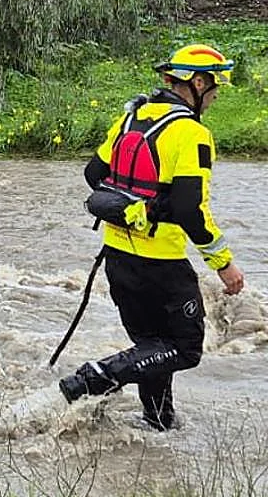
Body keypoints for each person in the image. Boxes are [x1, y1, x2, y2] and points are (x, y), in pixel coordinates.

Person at [62, 43, 246, 430]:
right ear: (197, 83)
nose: (214, 97)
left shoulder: (131, 120)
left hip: (117, 257)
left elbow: (94, 176)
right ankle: (95, 376)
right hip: (160, 264)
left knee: (152, 347)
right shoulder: (191, 134)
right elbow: (190, 211)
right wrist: (224, 264)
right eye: (214, 88)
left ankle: (159, 424)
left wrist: (139, 200)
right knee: (185, 348)